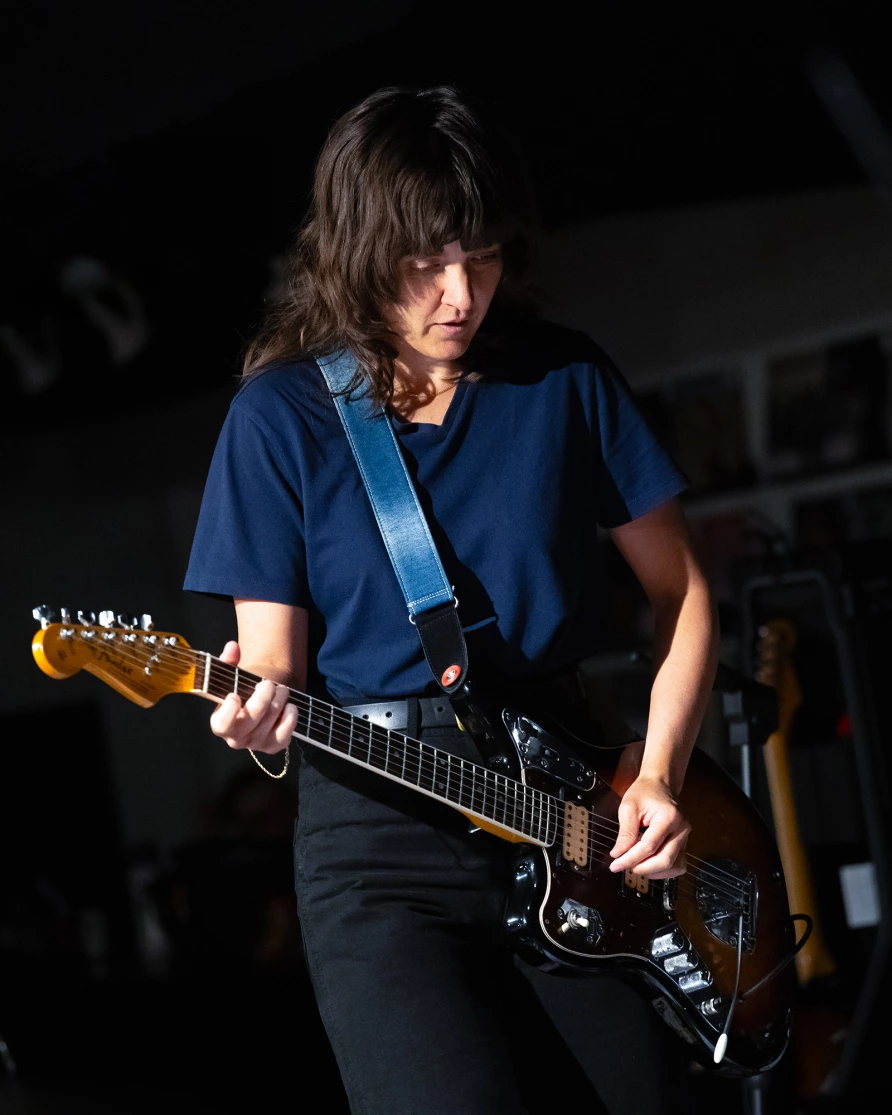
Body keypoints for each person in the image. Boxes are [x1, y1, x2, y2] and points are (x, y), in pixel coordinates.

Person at [183, 85, 719, 1115]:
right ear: (355, 251)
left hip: (569, 813)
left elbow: (682, 586)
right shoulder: (281, 417)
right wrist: (253, 714)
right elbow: (272, 668)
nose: (459, 291)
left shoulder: (562, 377)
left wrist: (657, 775)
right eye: (423, 261)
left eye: (480, 253)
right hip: (380, 842)